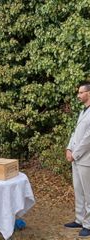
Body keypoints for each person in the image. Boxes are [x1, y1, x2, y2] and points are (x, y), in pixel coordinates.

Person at [64, 81, 90, 238]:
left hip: (86, 159)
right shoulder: (83, 111)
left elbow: (88, 138)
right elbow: (76, 132)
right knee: (79, 191)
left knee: (88, 192)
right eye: (79, 92)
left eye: (81, 92)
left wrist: (75, 154)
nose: (78, 95)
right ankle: (80, 219)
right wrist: (68, 148)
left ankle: (88, 224)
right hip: (76, 158)